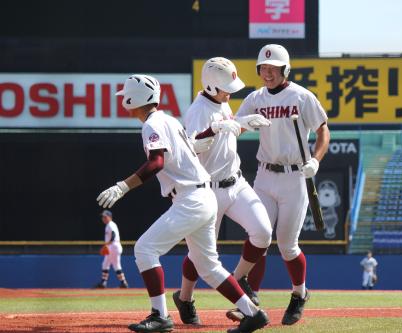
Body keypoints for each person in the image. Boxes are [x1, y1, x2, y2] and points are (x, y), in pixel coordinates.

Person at [96, 74, 269, 333]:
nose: (124, 100)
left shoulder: (152, 125)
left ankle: (160, 316)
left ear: (134, 99)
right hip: (204, 195)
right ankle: (251, 312)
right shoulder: (167, 120)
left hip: (190, 199)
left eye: (126, 96)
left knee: (145, 249)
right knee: (208, 266)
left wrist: (123, 186)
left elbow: (157, 162)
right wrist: (221, 127)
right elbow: (192, 146)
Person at [233, 44, 330, 325]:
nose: (267, 73)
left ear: (285, 69)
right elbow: (237, 128)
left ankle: (299, 294)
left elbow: (323, 129)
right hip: (264, 175)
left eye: (272, 68)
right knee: (258, 236)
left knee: (287, 245)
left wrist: (316, 159)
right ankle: (250, 301)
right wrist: (228, 128)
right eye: (263, 68)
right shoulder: (254, 98)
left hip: (295, 176)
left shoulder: (301, 96)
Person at [174, 57, 273, 325]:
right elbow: (189, 148)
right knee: (200, 255)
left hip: (236, 182)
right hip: (209, 190)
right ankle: (185, 298)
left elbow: (227, 133)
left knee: (263, 232)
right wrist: (215, 129)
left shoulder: (221, 101)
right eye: (225, 87)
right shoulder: (198, 110)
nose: (230, 92)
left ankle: (239, 277)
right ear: (209, 86)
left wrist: (243, 122)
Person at [94, 210, 128, 289]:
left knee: (114, 265)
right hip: (113, 247)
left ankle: (122, 283)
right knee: (106, 264)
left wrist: (108, 243)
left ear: (110, 217)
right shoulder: (109, 225)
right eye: (103, 217)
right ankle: (105, 282)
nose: (103, 218)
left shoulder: (110, 224)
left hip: (113, 246)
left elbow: (113, 234)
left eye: (105, 217)